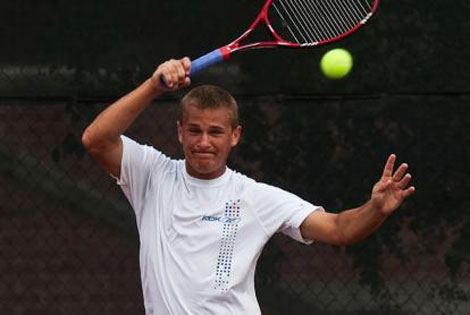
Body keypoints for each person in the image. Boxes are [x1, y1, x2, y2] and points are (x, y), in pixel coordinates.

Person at [81, 57, 415, 315]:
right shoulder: (151, 175)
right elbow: (96, 139)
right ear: (180, 132)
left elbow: (339, 228)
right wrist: (154, 86)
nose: (204, 142)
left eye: (215, 132)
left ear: (235, 136)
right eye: (194, 130)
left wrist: (376, 209)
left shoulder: (254, 197)